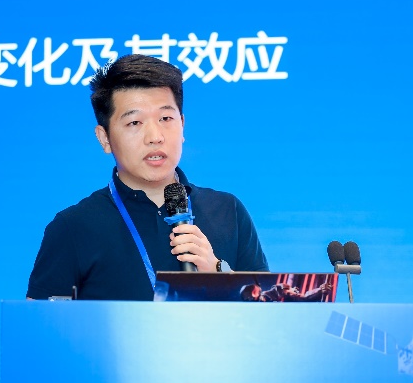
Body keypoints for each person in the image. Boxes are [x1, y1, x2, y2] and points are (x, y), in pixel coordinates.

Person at [27, 54, 269, 300]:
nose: (155, 136)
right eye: (135, 122)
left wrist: (218, 272)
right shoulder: (73, 227)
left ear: (182, 125)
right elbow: (37, 322)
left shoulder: (228, 211)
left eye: (165, 118)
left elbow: (269, 313)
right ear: (104, 138)